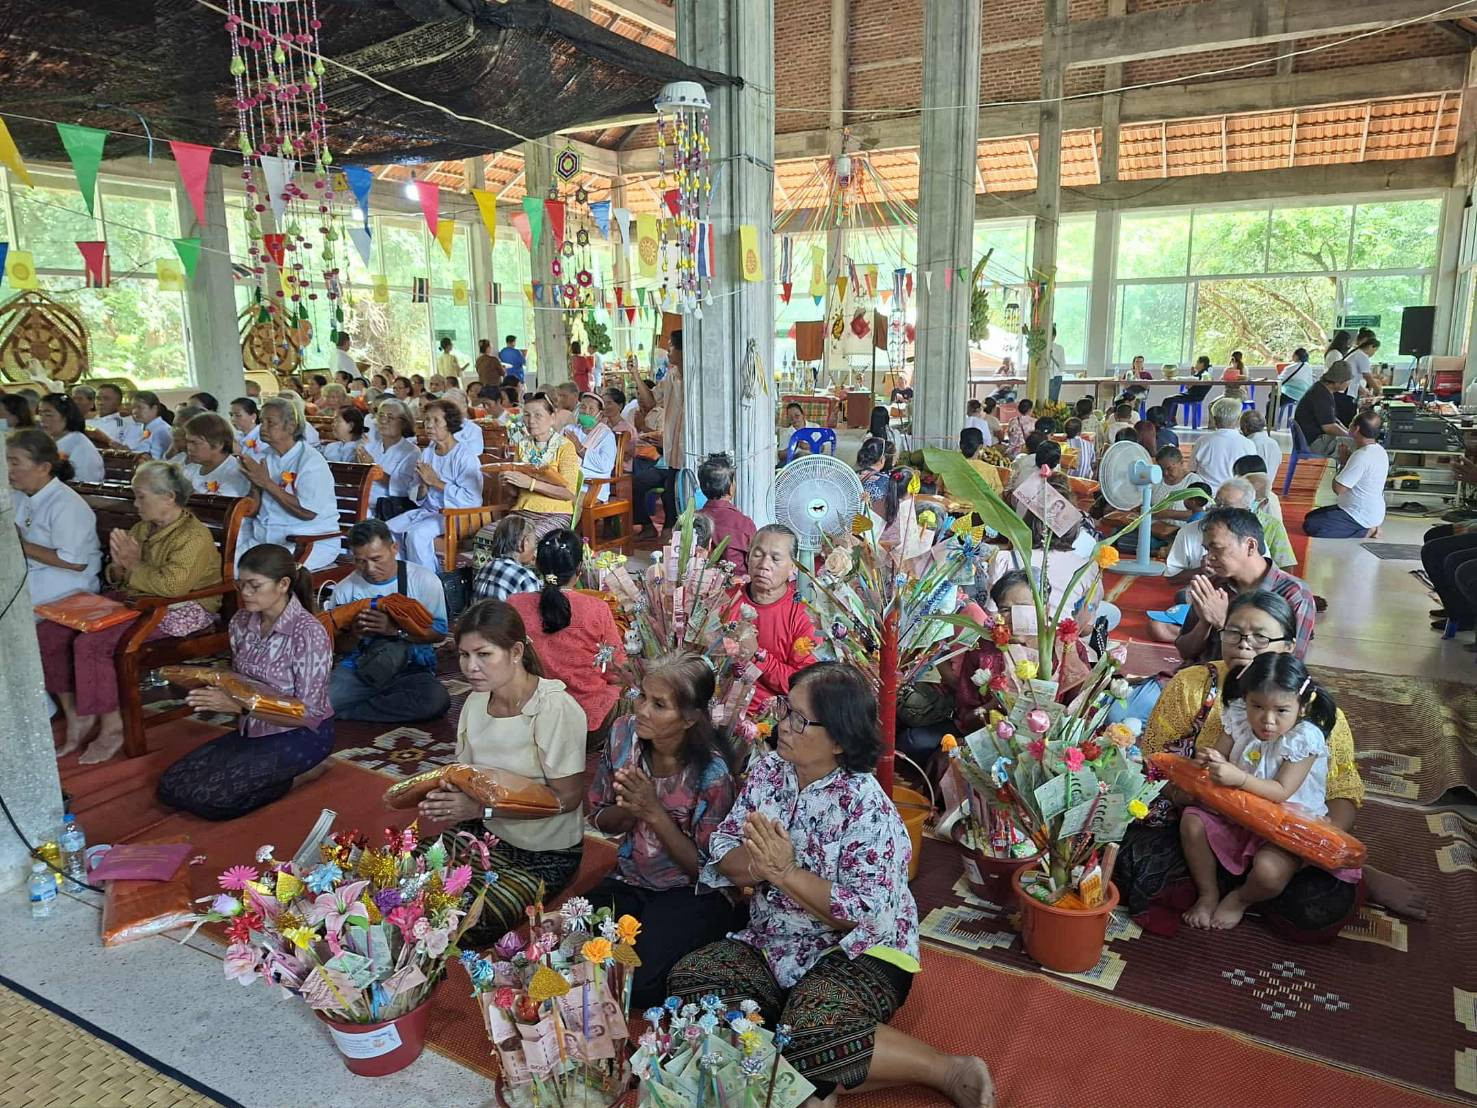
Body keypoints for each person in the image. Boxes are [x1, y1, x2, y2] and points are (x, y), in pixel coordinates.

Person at [669, 663, 995, 1107]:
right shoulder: (769, 772)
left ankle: (946, 1069)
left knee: (809, 1031)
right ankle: (812, 1075)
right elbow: (726, 846)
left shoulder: (867, 808)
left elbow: (859, 914)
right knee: (694, 981)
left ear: (840, 740)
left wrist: (784, 873)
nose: (783, 725)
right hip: (774, 938)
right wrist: (760, 867)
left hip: (858, 949)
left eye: (799, 719)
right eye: (785, 709)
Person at [1116, 591, 1426, 938]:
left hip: (1286, 834)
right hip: (1210, 819)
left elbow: (1341, 791)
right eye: (1234, 633)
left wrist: (1319, 847)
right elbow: (1156, 761)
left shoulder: (1315, 717)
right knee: (1136, 865)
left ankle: (1262, 888)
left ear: (1289, 647)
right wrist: (1187, 788)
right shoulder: (1196, 686)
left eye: (1260, 637)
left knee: (1315, 905)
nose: (1244, 645)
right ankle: (1216, 889)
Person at [416, 599, 587, 939]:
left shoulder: (553, 708)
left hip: (543, 852)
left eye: (484, 654)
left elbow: (566, 799)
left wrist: (482, 809)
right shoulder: (477, 701)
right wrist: (445, 793)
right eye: (464, 655)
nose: (471, 667)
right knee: (408, 876)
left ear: (516, 652)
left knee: (471, 920)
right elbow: (468, 772)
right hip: (486, 832)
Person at [585, 653, 742, 1007]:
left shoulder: (712, 775)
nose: (642, 710)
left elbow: (708, 872)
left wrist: (654, 812)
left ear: (689, 718)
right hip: (629, 877)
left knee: (639, 985)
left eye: (659, 705)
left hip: (689, 892)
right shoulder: (624, 734)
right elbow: (600, 817)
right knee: (569, 945)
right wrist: (629, 810)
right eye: (642, 696)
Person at [41, 461, 221, 763]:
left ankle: (112, 727)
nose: (135, 504)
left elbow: (172, 587)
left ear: (168, 497)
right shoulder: (143, 528)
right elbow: (118, 577)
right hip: (137, 600)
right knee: (49, 633)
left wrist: (133, 565)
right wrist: (118, 567)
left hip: (181, 608)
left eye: (141, 497)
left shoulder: (194, 537)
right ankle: (78, 715)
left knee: (93, 643)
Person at [155, 544, 334, 820]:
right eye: (241, 584)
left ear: (283, 584)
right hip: (252, 728)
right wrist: (204, 681)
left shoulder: (308, 633)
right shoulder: (240, 621)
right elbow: (240, 677)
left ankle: (303, 774)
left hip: (301, 733)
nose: (246, 593)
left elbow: (308, 714)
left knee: (213, 802)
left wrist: (241, 707)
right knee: (171, 787)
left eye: (255, 585)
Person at [1178, 653, 1346, 931]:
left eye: (1281, 711)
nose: (1267, 719)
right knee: (1191, 822)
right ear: (1245, 698)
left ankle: (1241, 898)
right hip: (1237, 813)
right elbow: (1220, 754)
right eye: (1257, 706)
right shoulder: (1238, 717)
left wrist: (1239, 778)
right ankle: (1207, 893)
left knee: (1269, 873)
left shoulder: (1304, 738)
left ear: (1302, 706)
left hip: (1285, 826)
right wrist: (1209, 759)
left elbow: (1281, 791)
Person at [325, 520, 451, 723]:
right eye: (360, 561)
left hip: (411, 668)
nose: (370, 568)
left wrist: (395, 630)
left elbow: (439, 633)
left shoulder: (424, 580)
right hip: (360, 669)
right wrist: (355, 634)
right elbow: (339, 647)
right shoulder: (344, 590)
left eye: (377, 559)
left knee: (436, 700)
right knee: (320, 704)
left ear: (394, 548)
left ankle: (348, 712)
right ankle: (363, 705)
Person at [507, 528, 626, 735]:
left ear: (538, 565)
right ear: (579, 569)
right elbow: (617, 669)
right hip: (588, 723)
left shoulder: (515, 605)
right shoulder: (596, 608)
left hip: (532, 720)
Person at [1175, 508, 1315, 663]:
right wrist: (1204, 623)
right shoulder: (1215, 586)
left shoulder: (1294, 594)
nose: (1208, 558)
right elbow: (1185, 652)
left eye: (1218, 548)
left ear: (1250, 546)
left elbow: (1289, 666)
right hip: (1199, 675)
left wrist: (1223, 623)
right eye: (1207, 549)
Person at [236, 396, 344, 573]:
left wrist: (266, 483)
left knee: (261, 573)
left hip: (309, 541)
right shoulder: (262, 457)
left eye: (270, 423)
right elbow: (253, 511)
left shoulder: (311, 461)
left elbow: (307, 512)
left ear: (291, 426)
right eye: (262, 422)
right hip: (264, 541)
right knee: (223, 568)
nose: (262, 427)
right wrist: (255, 485)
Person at [385, 399, 483, 571]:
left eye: (436, 420)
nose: (429, 425)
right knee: (386, 532)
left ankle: (430, 580)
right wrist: (423, 486)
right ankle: (406, 576)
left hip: (456, 515)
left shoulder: (465, 455)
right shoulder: (428, 453)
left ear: (450, 424)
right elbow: (416, 493)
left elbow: (472, 499)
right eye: (427, 420)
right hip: (428, 512)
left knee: (416, 536)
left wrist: (436, 482)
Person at [8, 429, 101, 607]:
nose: (8, 470)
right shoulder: (19, 495)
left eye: (14, 463)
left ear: (43, 468)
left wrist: (21, 545)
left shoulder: (66, 504)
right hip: (30, 575)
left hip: (65, 584)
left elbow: (75, 562)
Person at [733, 524, 816, 712]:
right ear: (747, 557)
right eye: (757, 554)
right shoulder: (726, 600)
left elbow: (803, 686)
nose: (764, 565)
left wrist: (757, 655)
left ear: (793, 566)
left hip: (769, 718)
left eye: (775, 558)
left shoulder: (803, 616)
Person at [505, 393, 581, 539]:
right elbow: (515, 493)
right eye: (526, 415)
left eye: (538, 415)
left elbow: (569, 494)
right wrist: (508, 482)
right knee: (487, 536)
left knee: (523, 541)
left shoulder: (565, 446)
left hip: (556, 512)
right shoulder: (522, 445)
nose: (531, 421)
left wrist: (532, 484)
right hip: (522, 510)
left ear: (552, 418)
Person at [1304, 411, 1388, 538]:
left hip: (1359, 514)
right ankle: (1365, 526)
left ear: (1356, 429)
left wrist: (1343, 463)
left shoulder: (1361, 456)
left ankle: (1367, 531)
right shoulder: (1379, 450)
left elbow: (1338, 489)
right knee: (1311, 516)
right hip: (1363, 509)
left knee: (1312, 526)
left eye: (1351, 423)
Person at [1164, 478, 1257, 579]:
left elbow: (1260, 574)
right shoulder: (1188, 532)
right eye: (1217, 503)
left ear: (1246, 511)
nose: (1218, 510)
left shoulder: (1251, 534)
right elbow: (1171, 578)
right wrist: (1200, 571)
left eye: (1227, 507)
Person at [1229, 456, 1296, 569]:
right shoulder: (1223, 521)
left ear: (1263, 502)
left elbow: (1285, 565)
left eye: (1252, 498)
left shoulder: (1271, 525)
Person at [361, 399, 420, 519]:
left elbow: (404, 489)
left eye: (390, 417)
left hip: (384, 505)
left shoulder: (411, 452)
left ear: (403, 423)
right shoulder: (369, 446)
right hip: (361, 496)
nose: (383, 421)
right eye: (381, 415)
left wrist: (375, 470)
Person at [697, 452, 756, 568]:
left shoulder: (692, 520)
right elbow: (754, 561)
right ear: (731, 488)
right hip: (738, 579)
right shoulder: (744, 523)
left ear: (703, 488)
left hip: (698, 577)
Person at [1191, 397, 1256, 493]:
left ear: (1214, 419)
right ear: (1238, 419)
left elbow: (1192, 471)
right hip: (1235, 495)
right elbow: (1251, 476)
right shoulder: (1248, 444)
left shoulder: (1202, 442)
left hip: (1205, 495)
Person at [473, 513, 541, 602]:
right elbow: (533, 609)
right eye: (534, 543)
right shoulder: (525, 577)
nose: (535, 549)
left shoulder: (485, 567)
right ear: (524, 543)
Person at [37, 393, 104, 484]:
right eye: (40, 414)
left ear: (66, 416)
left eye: (48, 415)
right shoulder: (44, 441)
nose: (42, 419)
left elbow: (84, 482)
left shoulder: (81, 446)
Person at [180, 412, 252, 496]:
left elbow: (222, 503)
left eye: (195, 443)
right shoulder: (190, 469)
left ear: (219, 443)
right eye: (188, 441)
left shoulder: (235, 473)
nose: (189, 448)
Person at [566, 392, 618, 502]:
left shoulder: (606, 436)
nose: (586, 412)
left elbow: (605, 465)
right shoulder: (570, 429)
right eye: (583, 407)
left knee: (564, 502)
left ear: (600, 414)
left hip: (592, 490)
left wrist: (581, 449)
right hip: (566, 484)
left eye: (591, 409)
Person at [1293, 362, 1353, 456]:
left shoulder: (1321, 389)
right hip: (1314, 443)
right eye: (1348, 381)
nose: (1349, 384)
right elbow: (1329, 427)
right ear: (1338, 382)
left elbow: (1333, 420)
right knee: (1357, 446)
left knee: (1353, 441)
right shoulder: (1321, 395)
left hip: (1313, 438)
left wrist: (1349, 432)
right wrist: (1352, 437)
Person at [1162, 356, 1214, 427]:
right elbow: (1188, 386)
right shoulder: (1199, 373)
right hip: (1191, 395)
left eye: (1197, 362)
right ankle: (1171, 421)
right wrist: (1193, 374)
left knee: (1168, 400)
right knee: (1172, 400)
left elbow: (1192, 382)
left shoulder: (1204, 374)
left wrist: (1176, 378)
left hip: (1194, 396)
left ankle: (1165, 422)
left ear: (1202, 364)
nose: (1195, 364)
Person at [1239, 409, 1281, 482]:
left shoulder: (1247, 445)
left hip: (1247, 486)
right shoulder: (1275, 444)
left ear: (1245, 428)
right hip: (1268, 486)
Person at [129, 392, 173, 459]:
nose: (135, 411)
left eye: (140, 407)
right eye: (133, 408)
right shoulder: (144, 428)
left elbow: (161, 459)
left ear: (154, 408)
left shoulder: (162, 430)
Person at [958, 427, 1003, 493]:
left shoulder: (949, 466)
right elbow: (997, 496)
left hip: (951, 500)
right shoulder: (990, 471)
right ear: (981, 446)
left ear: (960, 445)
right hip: (980, 500)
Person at [1277, 347, 1314, 424]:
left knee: (1271, 402)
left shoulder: (1290, 368)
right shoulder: (1309, 367)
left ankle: (1271, 424)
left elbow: (1280, 380)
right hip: (1304, 396)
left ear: (1297, 356)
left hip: (1290, 395)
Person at [857, 437, 891, 512]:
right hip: (873, 519)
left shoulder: (852, 476)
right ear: (882, 459)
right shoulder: (887, 481)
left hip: (851, 518)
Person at [230, 397, 267, 461]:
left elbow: (260, 462)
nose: (232, 419)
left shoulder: (262, 437)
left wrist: (240, 452)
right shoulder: (238, 436)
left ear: (253, 417)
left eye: (238, 415)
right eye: (231, 415)